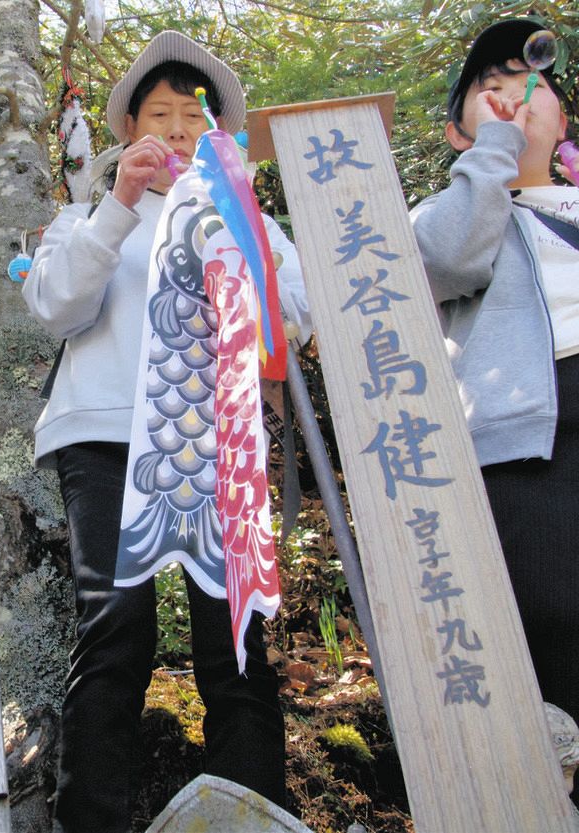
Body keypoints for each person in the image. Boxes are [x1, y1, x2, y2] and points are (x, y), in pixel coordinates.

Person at [23, 31, 310, 833]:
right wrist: (118, 206)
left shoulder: (245, 213)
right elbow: (56, 306)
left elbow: (295, 320)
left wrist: (245, 231)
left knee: (237, 634)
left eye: (194, 115)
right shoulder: (83, 215)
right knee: (115, 627)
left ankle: (248, 813)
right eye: (160, 113)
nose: (178, 128)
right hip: (106, 436)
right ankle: (92, 819)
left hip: (218, 440)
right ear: (128, 131)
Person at [409, 16, 578, 805]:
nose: (517, 93)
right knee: (554, 620)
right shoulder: (448, 215)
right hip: (523, 442)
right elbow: (445, 260)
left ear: (564, 121)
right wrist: (493, 155)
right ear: (454, 131)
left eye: (532, 81)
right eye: (492, 86)